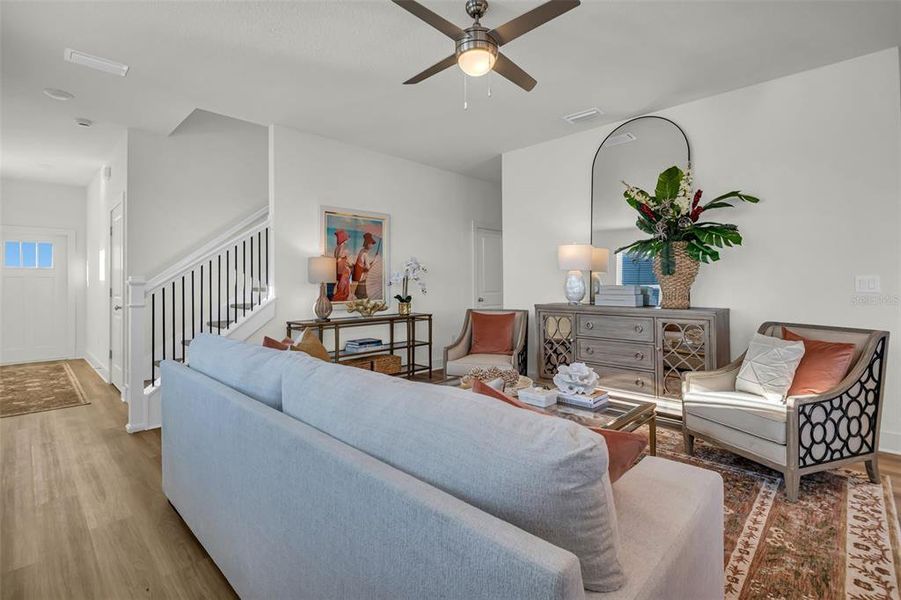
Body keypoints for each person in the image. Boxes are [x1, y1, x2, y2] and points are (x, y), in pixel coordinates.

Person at [352, 232, 377, 299]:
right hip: (362, 276)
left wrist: (372, 262)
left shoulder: (361, 251)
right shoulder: (365, 254)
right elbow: (368, 268)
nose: (372, 245)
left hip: (359, 274)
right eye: (371, 243)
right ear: (368, 244)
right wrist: (374, 261)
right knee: (362, 294)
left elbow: (365, 265)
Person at [332, 229, 351, 301]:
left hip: (338, 268)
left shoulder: (337, 247)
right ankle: (342, 297)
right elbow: (339, 258)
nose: (347, 239)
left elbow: (336, 259)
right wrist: (345, 261)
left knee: (341, 284)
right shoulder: (342, 246)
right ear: (343, 238)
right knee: (343, 285)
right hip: (343, 268)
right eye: (346, 238)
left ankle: (340, 296)